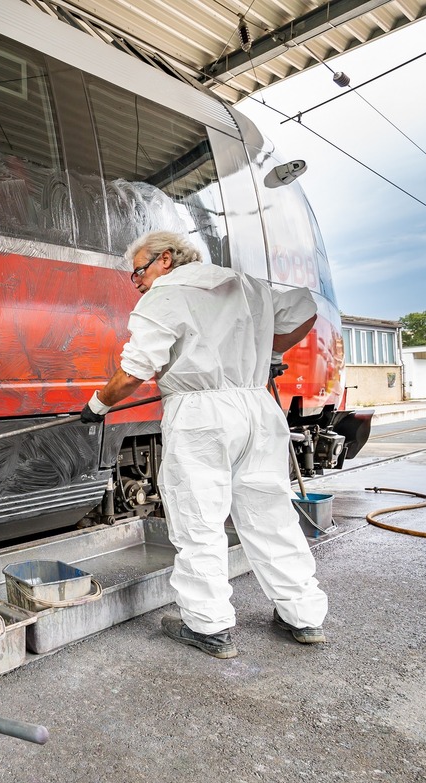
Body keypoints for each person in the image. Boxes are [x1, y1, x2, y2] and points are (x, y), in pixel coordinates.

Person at [80, 230, 327, 659]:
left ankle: (208, 626)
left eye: (138, 271)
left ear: (166, 259)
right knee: (270, 513)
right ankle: (303, 616)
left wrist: (97, 405)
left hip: (200, 415)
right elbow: (305, 308)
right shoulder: (244, 284)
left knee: (198, 520)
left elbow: (134, 371)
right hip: (256, 406)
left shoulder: (164, 296)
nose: (137, 282)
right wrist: (267, 351)